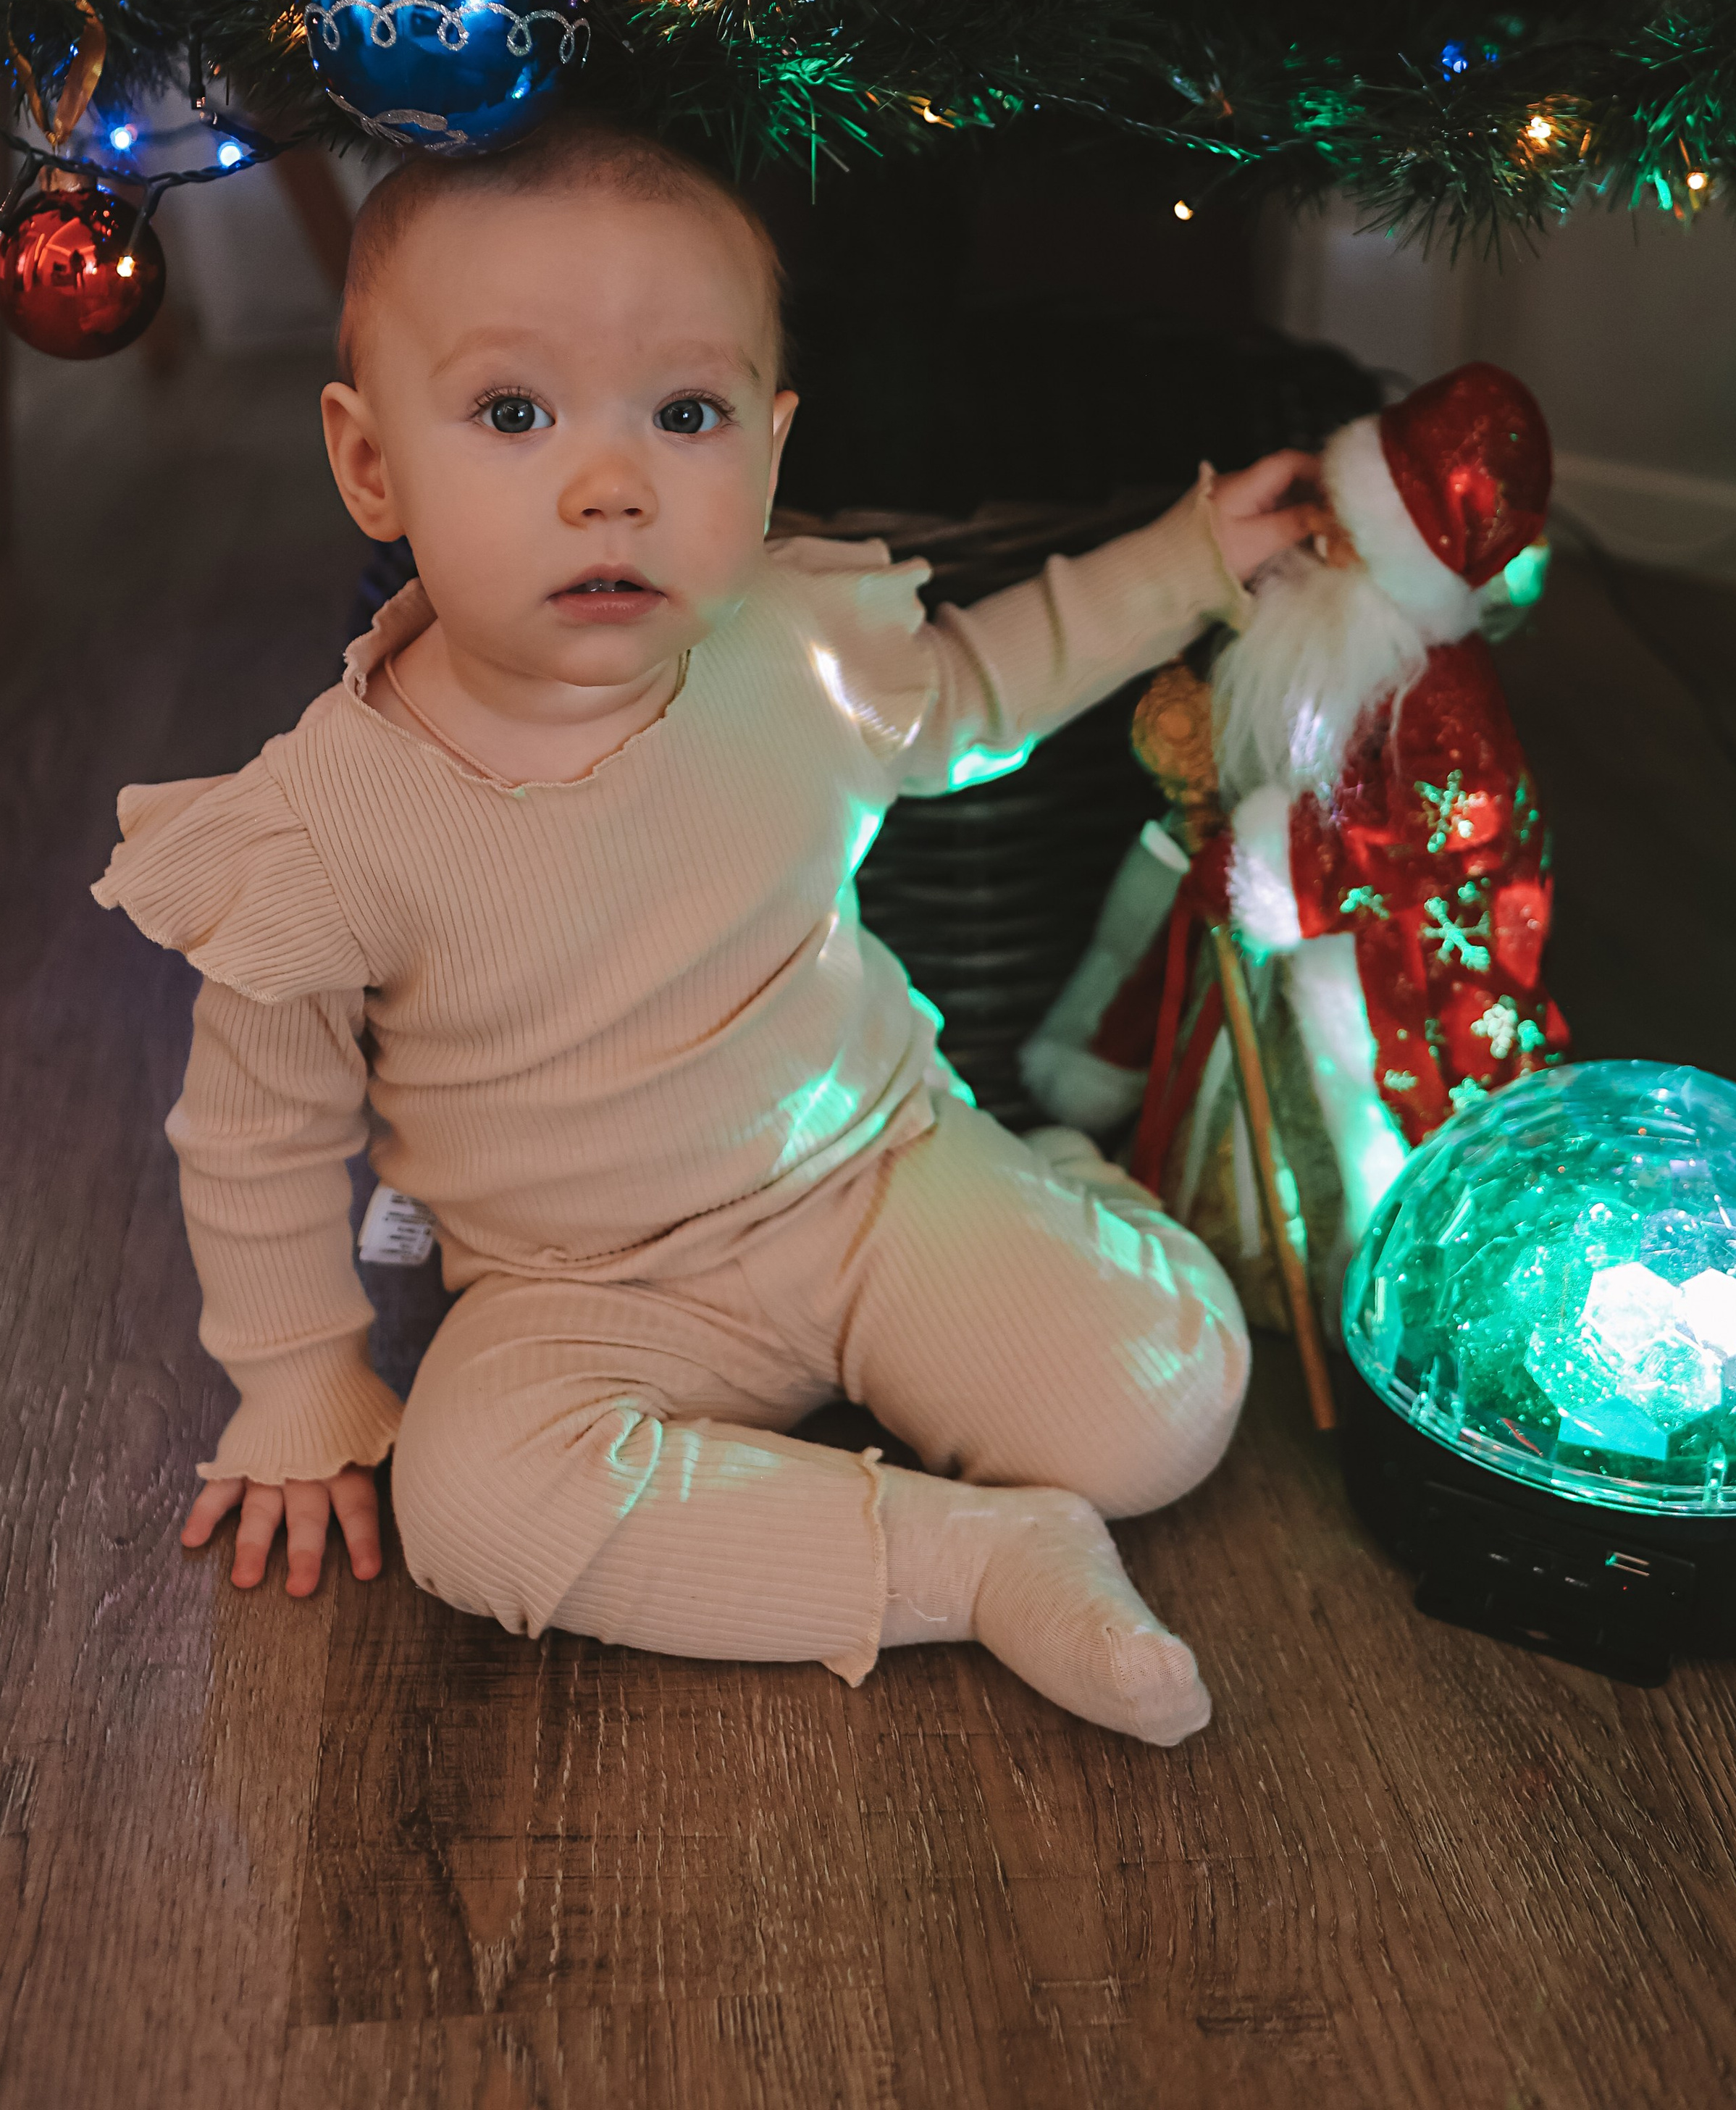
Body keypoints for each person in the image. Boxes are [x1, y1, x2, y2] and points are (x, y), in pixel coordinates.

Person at [92, 116, 1323, 1746]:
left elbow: (981, 689)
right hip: (578, 1293)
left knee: (1159, 1412)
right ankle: (981, 1563)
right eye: (514, 413)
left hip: (872, 1176)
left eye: (686, 415)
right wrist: (297, 1381)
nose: (612, 487)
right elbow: (256, 1133)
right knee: (471, 1509)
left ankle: (1063, 1198)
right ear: (371, 463)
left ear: (769, 445)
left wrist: (1187, 560)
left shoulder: (791, 652)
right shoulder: (324, 821)